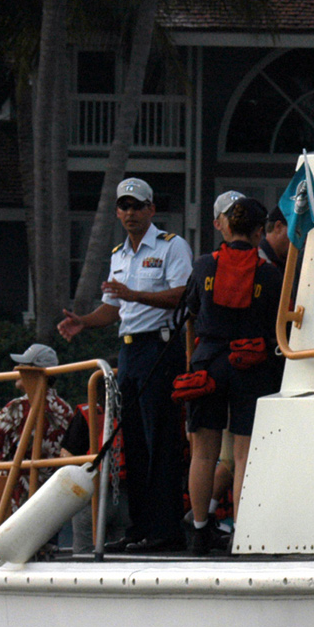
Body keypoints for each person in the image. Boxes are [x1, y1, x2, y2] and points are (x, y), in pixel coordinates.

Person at [58, 178, 192, 551]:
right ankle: (139, 527)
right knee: (131, 441)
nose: (130, 213)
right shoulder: (119, 254)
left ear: (151, 209)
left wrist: (135, 295)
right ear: (117, 212)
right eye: (124, 207)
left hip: (160, 349)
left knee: (160, 440)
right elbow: (114, 308)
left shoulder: (171, 246)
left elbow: (182, 294)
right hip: (129, 352)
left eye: (137, 206)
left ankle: (165, 529)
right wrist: (84, 321)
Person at [176, 196, 282, 556]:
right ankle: (242, 532)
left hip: (207, 364)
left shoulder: (204, 265)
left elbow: (189, 310)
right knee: (242, 455)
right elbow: (277, 322)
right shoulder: (268, 274)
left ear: (225, 226)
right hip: (250, 366)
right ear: (257, 232)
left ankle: (200, 531)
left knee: (203, 454)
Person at [0, 343, 80, 512]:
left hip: (18, 502)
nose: (17, 370)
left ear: (35, 371)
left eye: (23, 365)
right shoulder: (65, 408)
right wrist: (1, 416)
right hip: (52, 501)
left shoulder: (18, 407)